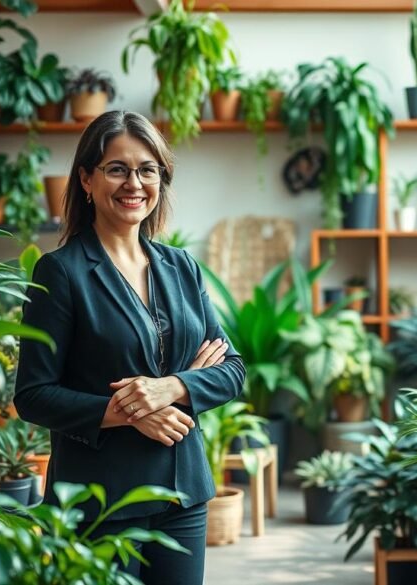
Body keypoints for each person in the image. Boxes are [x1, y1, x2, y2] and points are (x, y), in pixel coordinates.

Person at [14, 110, 245, 584]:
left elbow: (232, 369)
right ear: (86, 179)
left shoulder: (182, 268)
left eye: (147, 169)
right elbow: (33, 394)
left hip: (182, 495)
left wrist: (171, 387)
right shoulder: (60, 272)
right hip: (99, 502)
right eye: (117, 168)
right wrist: (130, 410)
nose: (133, 183)